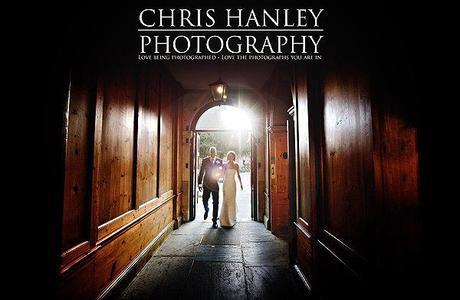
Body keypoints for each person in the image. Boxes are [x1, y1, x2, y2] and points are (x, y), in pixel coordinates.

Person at [198, 146, 223, 228]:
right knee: (204, 200)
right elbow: (201, 172)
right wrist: (199, 183)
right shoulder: (205, 160)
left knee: (216, 203)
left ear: (216, 152)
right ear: (209, 152)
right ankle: (206, 209)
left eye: (214, 151)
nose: (212, 152)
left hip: (215, 185)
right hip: (206, 184)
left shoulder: (220, 161)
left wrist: (220, 176)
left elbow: (222, 171)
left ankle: (214, 221)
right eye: (211, 151)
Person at [220, 151, 243, 228]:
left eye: (232, 156)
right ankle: (225, 219)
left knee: (232, 200)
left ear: (234, 157)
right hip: (226, 184)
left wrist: (241, 184)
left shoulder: (236, 165)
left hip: (233, 184)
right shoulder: (225, 165)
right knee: (226, 200)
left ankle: (231, 217)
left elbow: (238, 175)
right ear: (228, 157)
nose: (230, 157)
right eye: (229, 156)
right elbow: (222, 175)